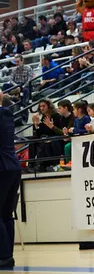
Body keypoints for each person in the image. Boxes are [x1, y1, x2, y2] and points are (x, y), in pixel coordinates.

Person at [0, 92, 19, 270]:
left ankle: (3, 256)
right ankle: (7, 257)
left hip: (2, 168)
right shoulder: (6, 113)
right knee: (6, 215)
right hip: (12, 166)